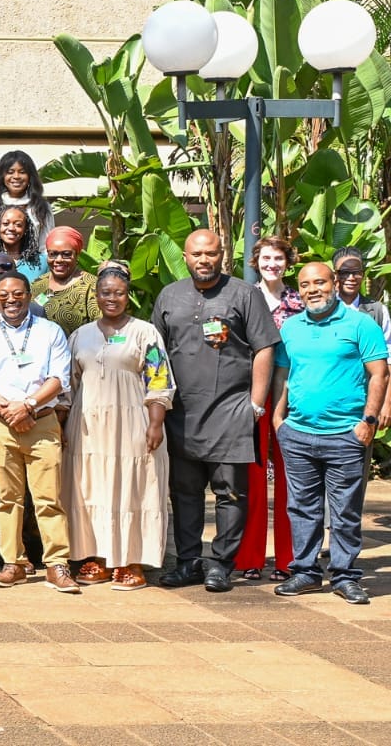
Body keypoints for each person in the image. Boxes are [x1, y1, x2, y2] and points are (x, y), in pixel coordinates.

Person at [151, 229, 279, 593]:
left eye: (210, 253)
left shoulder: (244, 294)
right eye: (196, 254)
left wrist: (255, 403)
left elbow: (264, 348)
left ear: (222, 255)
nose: (203, 260)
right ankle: (189, 561)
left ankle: (222, 563)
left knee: (231, 494)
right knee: (185, 493)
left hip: (231, 411)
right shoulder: (169, 296)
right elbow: (156, 354)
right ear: (186, 257)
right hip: (182, 415)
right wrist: (159, 406)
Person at [271, 261, 388, 605]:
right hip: (299, 434)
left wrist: (368, 420)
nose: (312, 290)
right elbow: (283, 374)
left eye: (319, 282)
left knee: (345, 510)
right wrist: (280, 419)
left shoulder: (360, 324)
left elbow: (379, 374)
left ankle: (345, 575)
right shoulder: (291, 328)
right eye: (305, 285)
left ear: (334, 283)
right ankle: (305, 572)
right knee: (302, 508)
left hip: (345, 435)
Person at [61, 266, 175, 590]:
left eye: (119, 292)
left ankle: (130, 561)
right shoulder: (80, 335)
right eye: (105, 292)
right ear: (96, 296)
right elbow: (68, 385)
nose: (112, 298)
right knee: (91, 488)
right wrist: (62, 425)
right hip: (87, 426)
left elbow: (160, 381)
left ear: (129, 296)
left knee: (133, 487)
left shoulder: (145, 332)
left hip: (132, 424)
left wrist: (155, 424)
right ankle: (95, 557)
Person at [0, 271, 78, 592]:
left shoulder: (49, 331)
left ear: (29, 295)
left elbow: (59, 379)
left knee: (48, 497)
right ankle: (13, 563)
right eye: (3, 296)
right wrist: (10, 411)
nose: (11, 300)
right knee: (7, 499)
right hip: (1, 424)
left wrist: (27, 405)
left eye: (17, 294)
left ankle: (57, 564)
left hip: (41, 421)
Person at [237, 236, 304, 581]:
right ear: (256, 261)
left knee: (292, 479)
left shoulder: (300, 300)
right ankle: (249, 557)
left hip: (293, 395)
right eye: (266, 258)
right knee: (252, 477)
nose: (272, 264)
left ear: (287, 262)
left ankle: (288, 559)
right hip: (250, 394)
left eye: (278, 258)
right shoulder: (243, 296)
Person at [32, 226, 99, 336]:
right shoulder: (37, 284)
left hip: (79, 351)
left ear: (77, 255)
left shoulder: (91, 285)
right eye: (53, 254)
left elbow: (103, 329)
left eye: (66, 254)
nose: (58, 260)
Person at [0, 150, 55, 247]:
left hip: (34, 261)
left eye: (22, 172)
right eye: (10, 172)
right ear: (2, 176)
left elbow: (46, 245)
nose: (16, 177)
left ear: (30, 176)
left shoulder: (41, 206)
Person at [0, 205, 47, 282]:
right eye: (5, 223)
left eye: (18, 224)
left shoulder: (41, 262)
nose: (11, 228)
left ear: (25, 229)